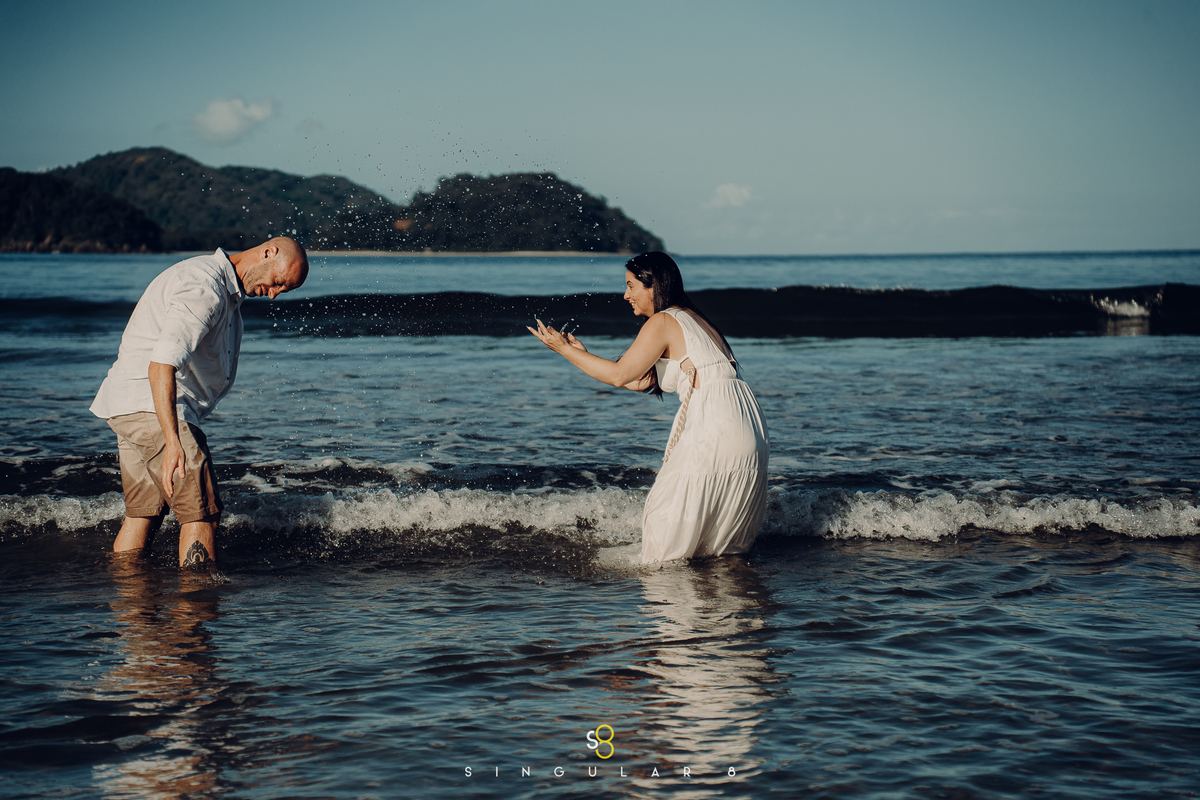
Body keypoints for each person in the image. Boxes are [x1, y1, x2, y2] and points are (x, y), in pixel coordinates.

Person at [528, 251, 769, 562]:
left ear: (653, 286)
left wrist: (563, 350)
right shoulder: (695, 320)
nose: (625, 295)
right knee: (719, 539)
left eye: (631, 286)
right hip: (746, 421)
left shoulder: (663, 320)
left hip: (717, 421)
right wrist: (582, 356)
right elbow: (640, 380)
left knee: (664, 524)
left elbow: (619, 376)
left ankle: (670, 601)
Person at [90, 238, 309, 568]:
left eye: (284, 290)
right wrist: (174, 440)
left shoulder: (219, 288)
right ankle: (195, 609)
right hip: (154, 409)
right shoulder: (204, 286)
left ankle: (133, 609)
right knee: (202, 513)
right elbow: (161, 364)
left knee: (144, 514)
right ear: (268, 252)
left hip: (131, 407)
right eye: (278, 282)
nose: (274, 293)